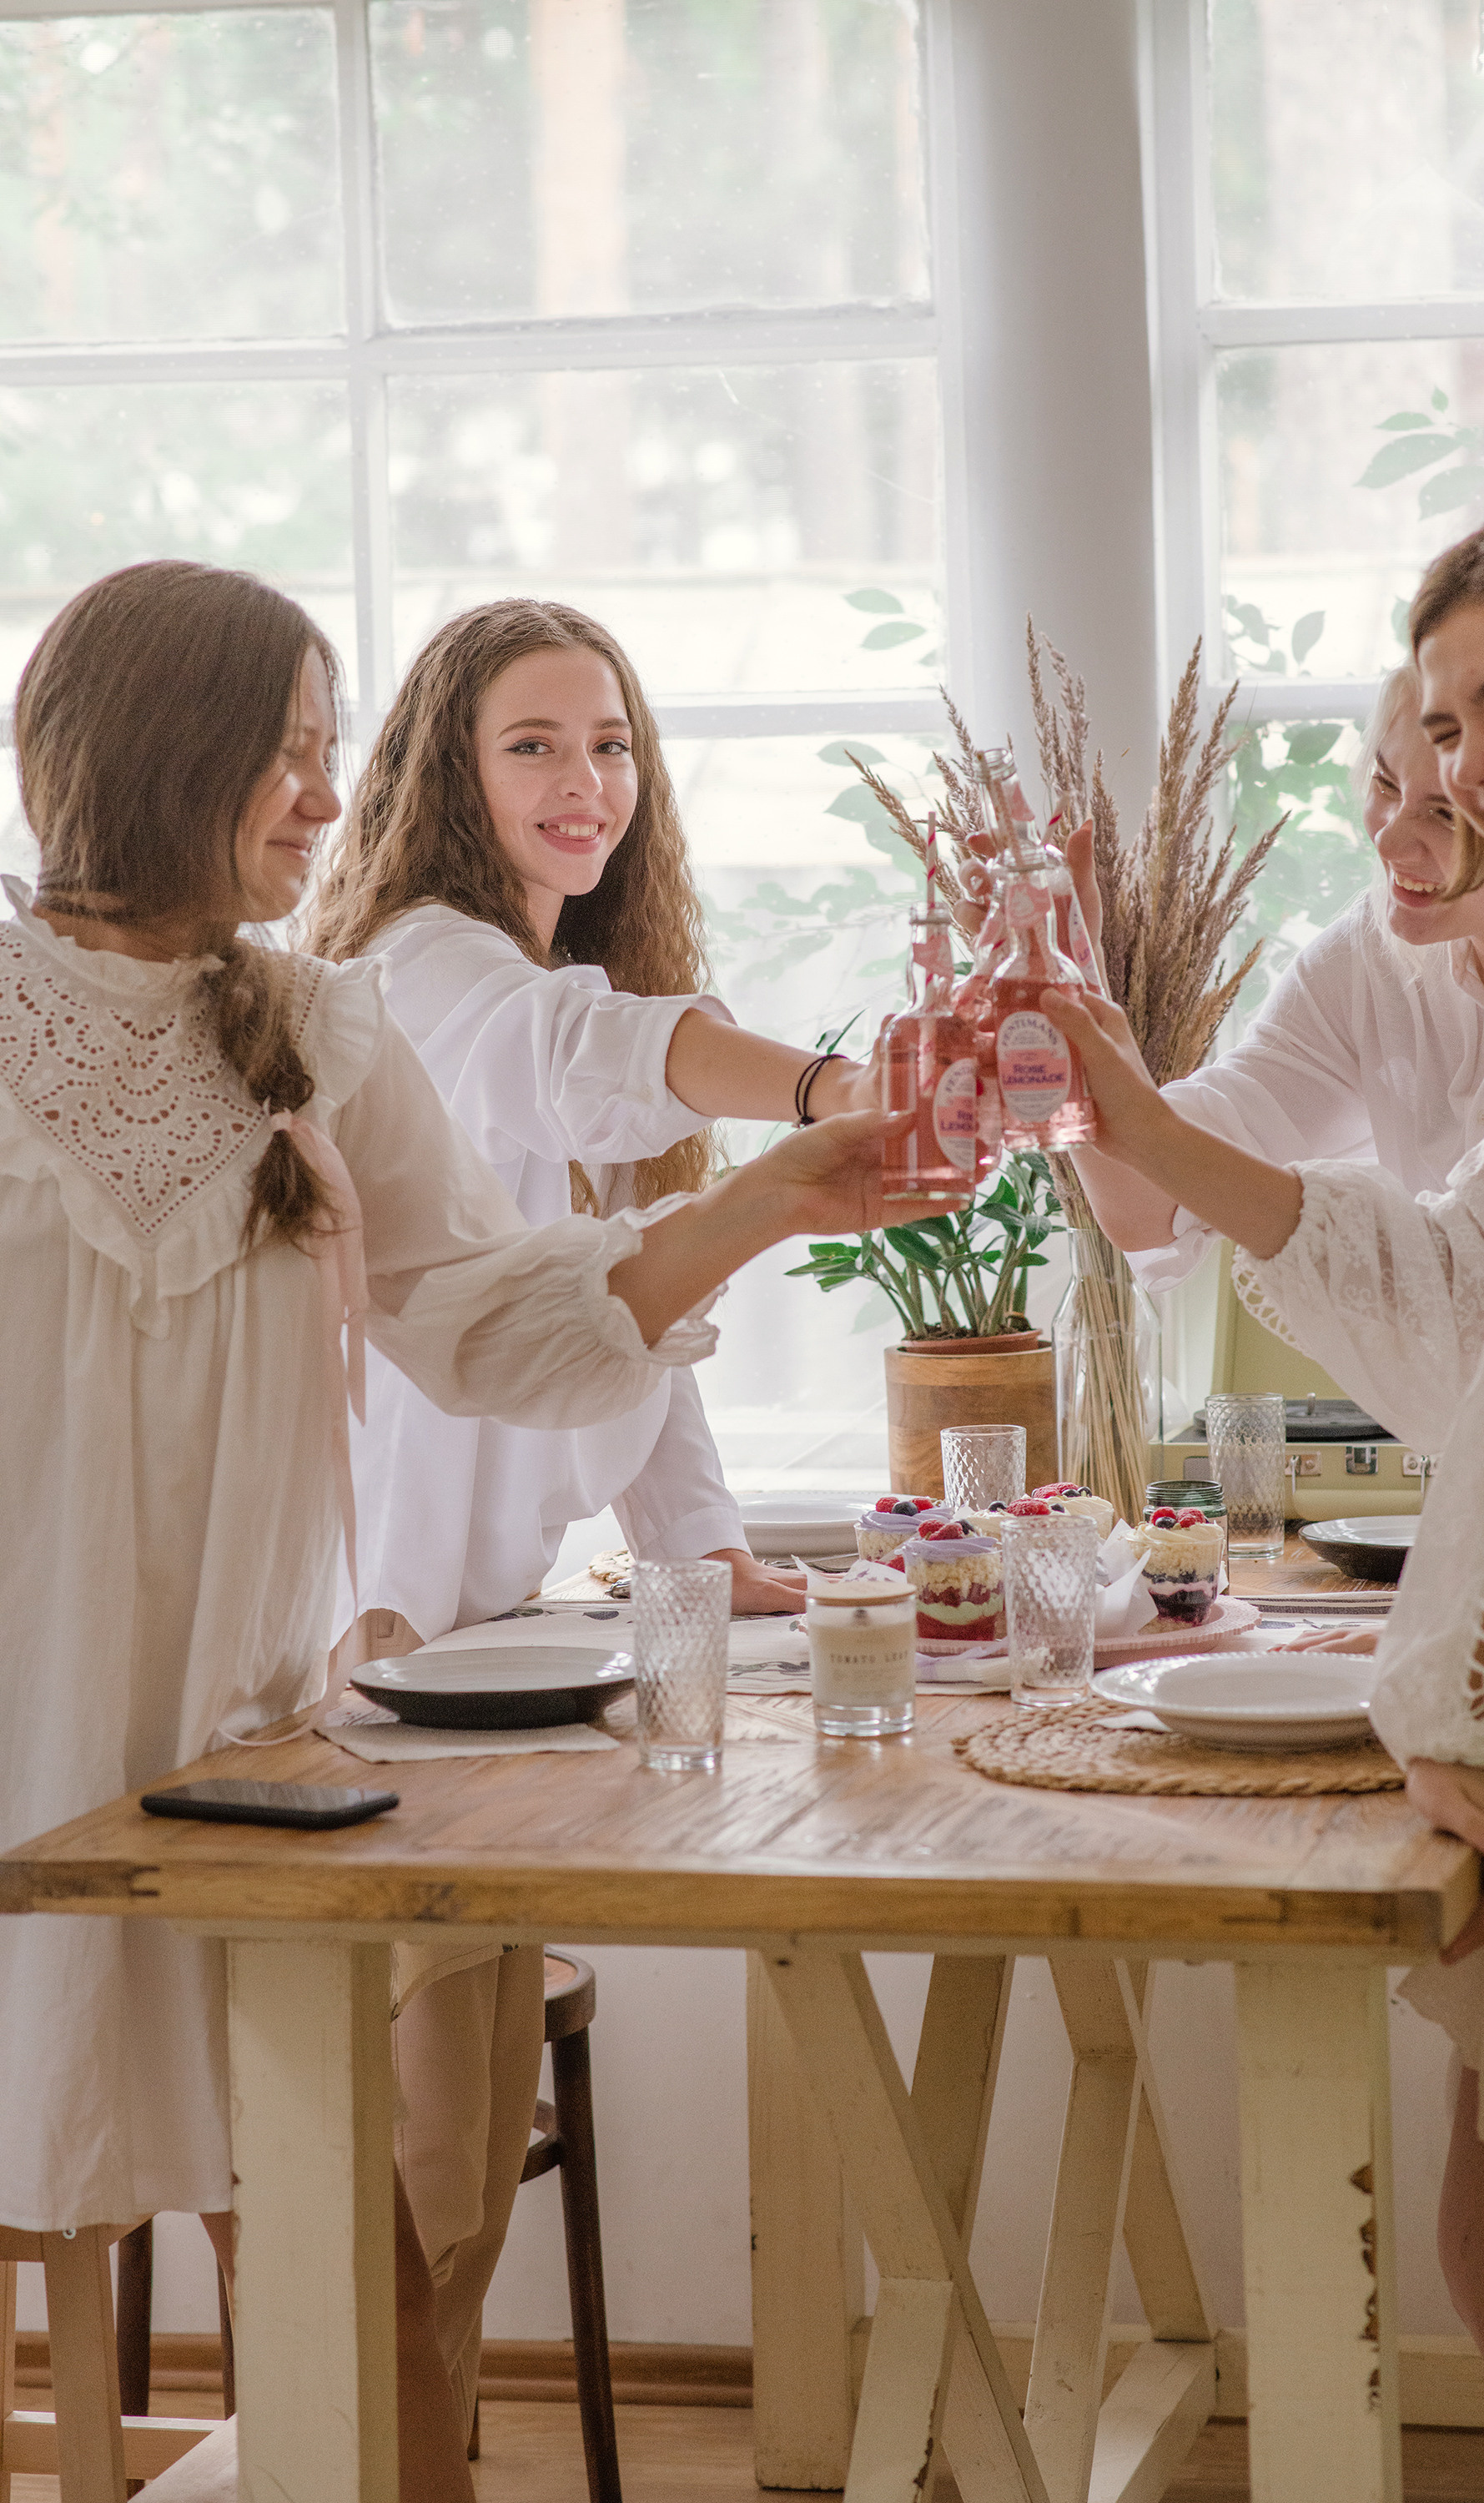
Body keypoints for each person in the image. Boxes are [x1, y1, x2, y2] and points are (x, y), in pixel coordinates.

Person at [0, 558, 929, 2501]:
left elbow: (501, 1322)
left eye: (333, 757)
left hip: (244, 1779)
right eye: (289, 755)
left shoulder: (324, 1027)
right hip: (20, 1759)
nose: (326, 803)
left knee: (337, 2290)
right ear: (159, 757)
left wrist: (770, 1196)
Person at [1042, 494, 1484, 2497]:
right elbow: (1477, 1295)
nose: (1466, 764)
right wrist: (1134, 1120)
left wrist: (1452, 1687)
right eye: (1433, 719)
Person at [303, 598, 891, 2434]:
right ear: (445, 776)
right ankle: (360, 2461)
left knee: (454, 2177)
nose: (586, 784)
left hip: (477, 1664)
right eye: (535, 745)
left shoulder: (551, 997)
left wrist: (706, 1547)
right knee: (414, 2170)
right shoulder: (419, 971)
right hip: (362, 1657)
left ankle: (418, 2455)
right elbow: (581, 1047)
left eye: (613, 743)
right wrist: (824, 1094)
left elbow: (618, 1321)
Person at [1069, 661, 1484, 1293]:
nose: (1389, 841)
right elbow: (1147, 1209)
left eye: (1446, 814)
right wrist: (1065, 982)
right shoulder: (1370, 954)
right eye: (1386, 784)